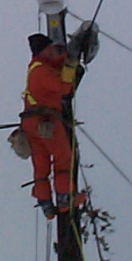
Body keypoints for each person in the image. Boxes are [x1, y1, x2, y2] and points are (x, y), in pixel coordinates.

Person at [21, 33, 85, 219]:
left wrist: (68, 55)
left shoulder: (37, 66)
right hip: (46, 122)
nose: (53, 51)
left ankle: (46, 204)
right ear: (45, 49)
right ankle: (65, 198)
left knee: (41, 165)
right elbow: (63, 88)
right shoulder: (42, 72)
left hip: (30, 123)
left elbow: (54, 63)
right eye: (51, 48)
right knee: (63, 158)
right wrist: (72, 63)